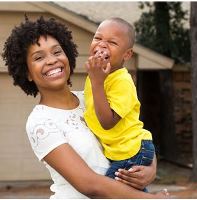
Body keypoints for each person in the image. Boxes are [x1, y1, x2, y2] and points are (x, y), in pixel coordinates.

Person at [2, 16, 168, 199]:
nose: (51, 61)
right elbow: (90, 184)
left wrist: (150, 168)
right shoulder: (40, 122)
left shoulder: (92, 97)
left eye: (57, 52)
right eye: (39, 57)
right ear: (27, 73)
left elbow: (133, 132)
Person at [84, 17, 156, 186]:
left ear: (127, 54)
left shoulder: (122, 81)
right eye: (98, 38)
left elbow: (108, 122)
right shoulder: (97, 76)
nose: (102, 45)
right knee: (127, 193)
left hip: (131, 150)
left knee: (109, 191)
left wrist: (97, 82)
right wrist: (96, 80)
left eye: (112, 42)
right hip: (120, 151)